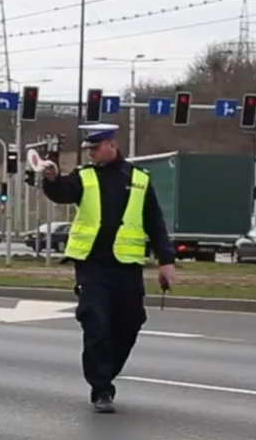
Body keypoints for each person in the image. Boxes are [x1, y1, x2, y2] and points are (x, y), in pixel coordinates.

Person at [41, 123, 177, 413]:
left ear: (111, 145)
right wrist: (51, 179)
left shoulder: (139, 179)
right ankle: (101, 388)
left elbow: (155, 221)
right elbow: (62, 192)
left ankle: (107, 371)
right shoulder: (84, 176)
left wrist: (166, 261)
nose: (91, 153)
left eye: (95, 148)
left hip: (127, 267)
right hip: (93, 265)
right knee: (96, 323)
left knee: (130, 323)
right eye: (89, 149)